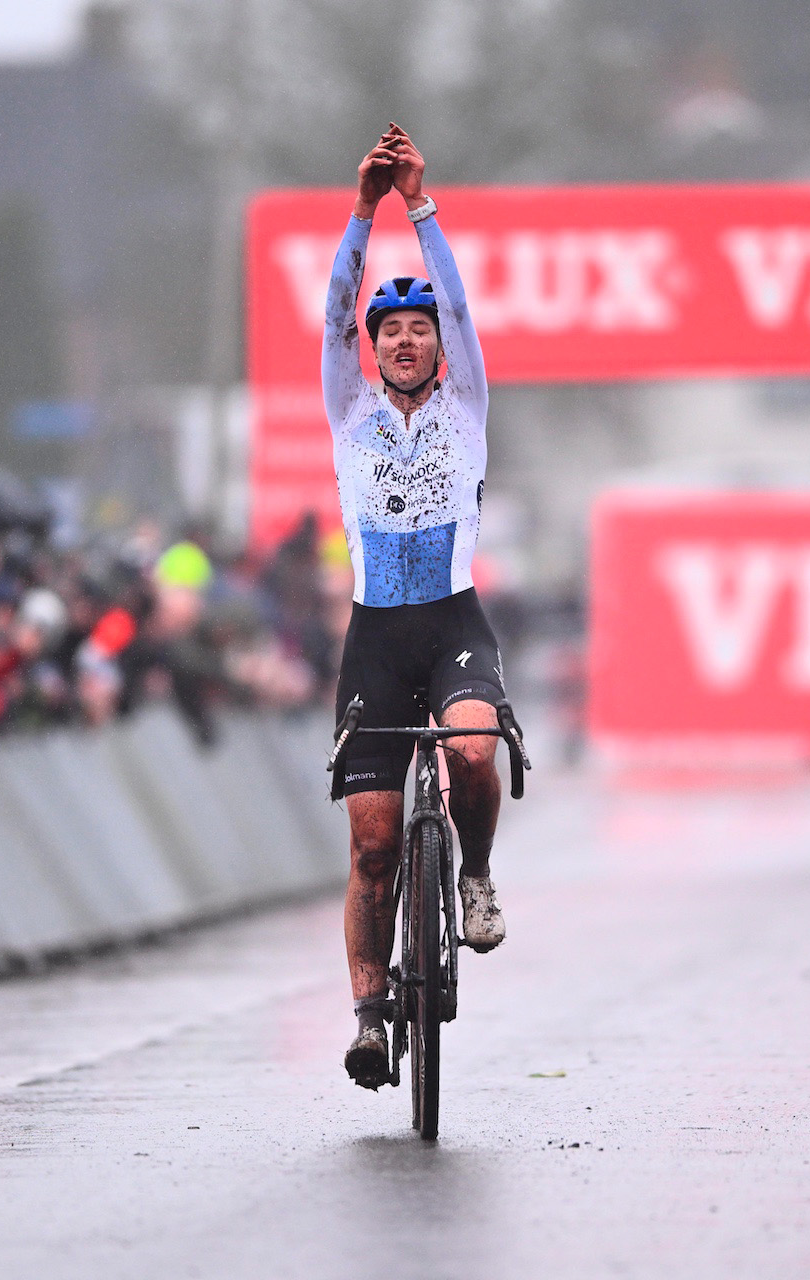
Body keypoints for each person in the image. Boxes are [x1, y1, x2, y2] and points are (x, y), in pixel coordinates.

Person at [323, 126, 511, 1090]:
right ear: (372, 348)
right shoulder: (348, 408)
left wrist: (419, 206)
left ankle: (474, 872)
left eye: (420, 328)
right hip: (375, 640)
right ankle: (367, 1013)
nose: (404, 338)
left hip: (452, 624)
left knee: (473, 750)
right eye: (388, 329)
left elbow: (466, 304)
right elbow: (330, 315)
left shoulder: (466, 400)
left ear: (440, 346)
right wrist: (364, 212)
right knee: (373, 846)